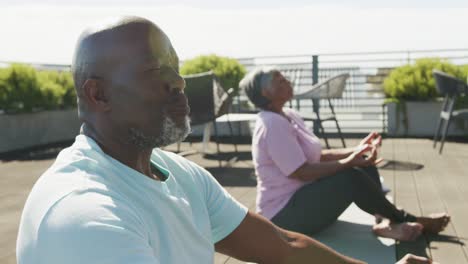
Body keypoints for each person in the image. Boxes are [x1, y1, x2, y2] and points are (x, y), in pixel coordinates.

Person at [16, 16, 431, 264]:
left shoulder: (176, 174)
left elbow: (283, 245)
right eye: (155, 72)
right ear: (98, 94)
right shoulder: (84, 217)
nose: (178, 83)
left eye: (176, 69)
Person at [240, 67, 451, 242]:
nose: (286, 81)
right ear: (265, 94)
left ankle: (386, 222)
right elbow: (301, 171)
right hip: (283, 215)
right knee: (348, 176)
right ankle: (409, 219)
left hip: (305, 198)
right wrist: (347, 162)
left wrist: (356, 151)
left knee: (364, 163)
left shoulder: (289, 115)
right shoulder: (271, 124)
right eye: (278, 80)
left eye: (283, 77)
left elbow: (316, 156)